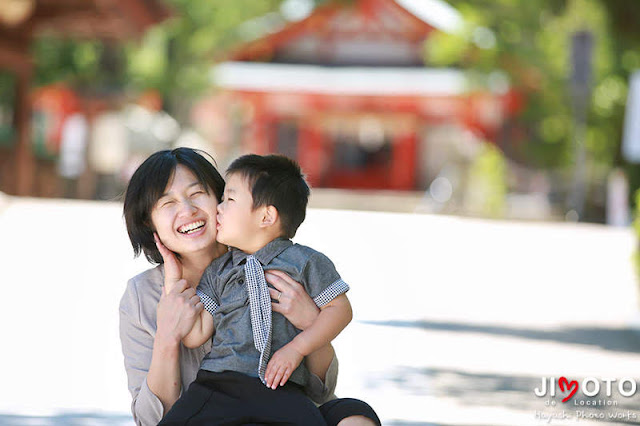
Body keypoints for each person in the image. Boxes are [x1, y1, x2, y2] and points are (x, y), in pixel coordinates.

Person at [119, 148, 380, 426]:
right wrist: (167, 333)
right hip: (215, 405)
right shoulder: (144, 295)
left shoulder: (290, 263)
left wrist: (309, 323)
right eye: (167, 202)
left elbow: (322, 390)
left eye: (197, 194)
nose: (187, 210)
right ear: (148, 220)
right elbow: (150, 421)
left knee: (356, 416)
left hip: (280, 397)